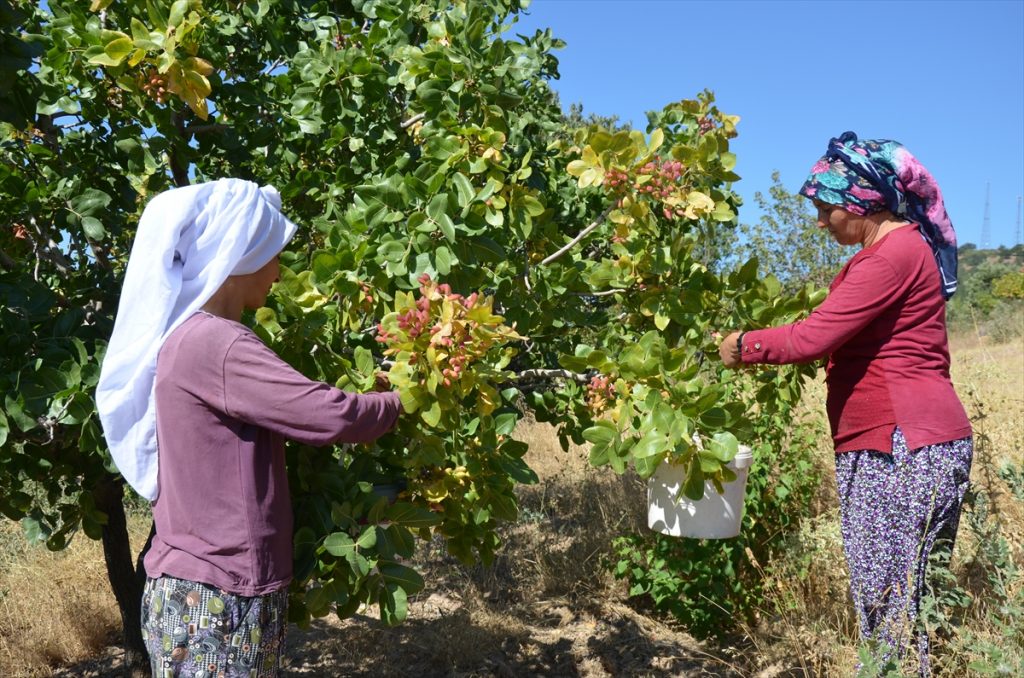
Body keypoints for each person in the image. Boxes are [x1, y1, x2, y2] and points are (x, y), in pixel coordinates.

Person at [96, 179, 402, 677]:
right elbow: (329, 414)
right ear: (240, 257)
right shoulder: (215, 344)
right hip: (218, 597)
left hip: (205, 588)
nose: (279, 273)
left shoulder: (195, 338)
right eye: (273, 256)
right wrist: (400, 402)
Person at [717, 132, 972, 675]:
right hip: (914, 441)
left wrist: (744, 345)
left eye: (825, 209)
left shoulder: (893, 254)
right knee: (911, 598)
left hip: (900, 446)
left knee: (890, 604)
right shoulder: (898, 250)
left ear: (859, 202)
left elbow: (813, 337)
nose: (820, 222)